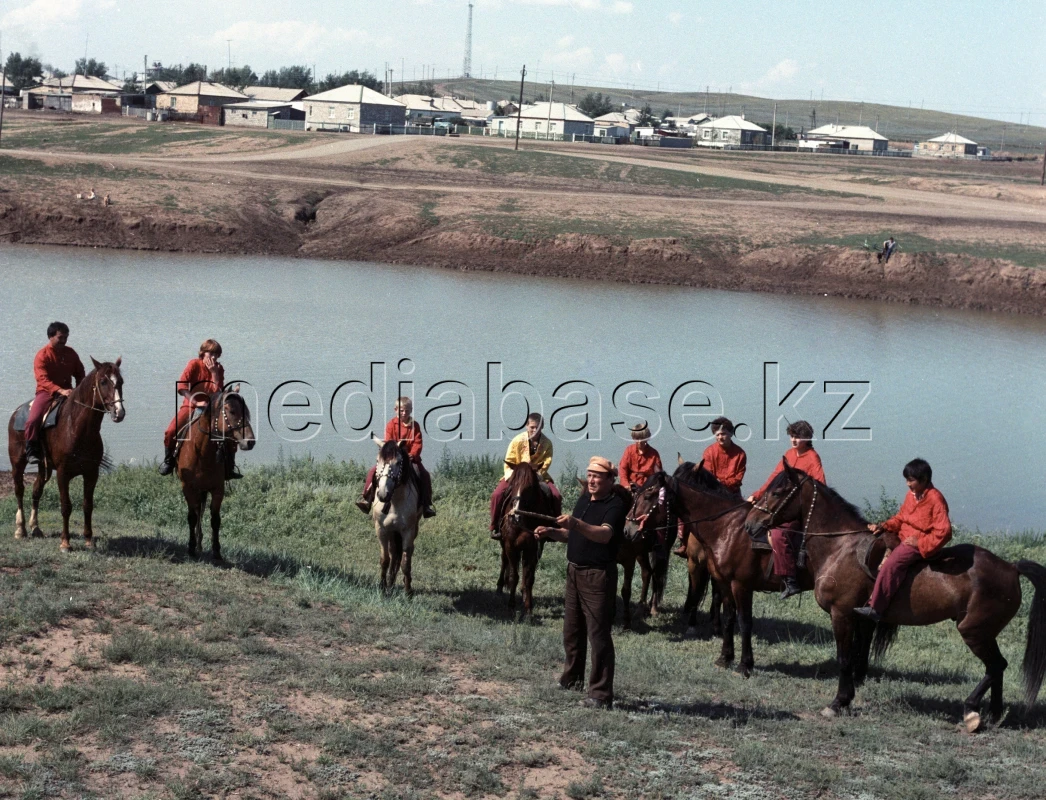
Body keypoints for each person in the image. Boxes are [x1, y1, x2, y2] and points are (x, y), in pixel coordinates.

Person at [535, 456, 626, 710]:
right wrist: (552, 532)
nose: (592, 480)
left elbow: (604, 534)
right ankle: (572, 679)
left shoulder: (615, 506)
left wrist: (575, 523)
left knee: (598, 636)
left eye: (597, 476)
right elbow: (572, 534)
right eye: (590, 475)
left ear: (610, 479)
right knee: (572, 631)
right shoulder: (584, 499)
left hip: (597, 576)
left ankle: (600, 694)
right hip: (573, 572)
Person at [855, 459, 951, 622]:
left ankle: (876, 608)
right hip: (902, 535)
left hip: (917, 543)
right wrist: (883, 526)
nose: (907, 484)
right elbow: (900, 518)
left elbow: (945, 531)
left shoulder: (936, 499)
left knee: (893, 562)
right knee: (873, 544)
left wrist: (920, 543)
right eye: (907, 480)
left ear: (924, 479)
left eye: (911, 480)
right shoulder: (911, 495)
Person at [748, 420, 825, 599]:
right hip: (782, 506)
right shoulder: (789, 454)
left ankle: (790, 580)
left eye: (798, 437)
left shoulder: (813, 457)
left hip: (797, 512)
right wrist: (757, 495)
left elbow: (820, 484)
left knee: (778, 535)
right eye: (792, 436)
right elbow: (774, 480)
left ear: (807, 438)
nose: (794, 440)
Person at [159, 339, 239, 478]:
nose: (214, 357)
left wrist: (214, 373)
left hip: (212, 407)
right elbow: (181, 386)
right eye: (211, 353)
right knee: (171, 431)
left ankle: (230, 466)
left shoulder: (219, 369)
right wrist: (196, 402)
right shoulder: (194, 364)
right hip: (190, 405)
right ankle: (169, 461)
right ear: (203, 353)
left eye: (216, 354)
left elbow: (217, 392)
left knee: (230, 432)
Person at [676, 416, 747, 556]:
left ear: (731, 433)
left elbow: (737, 478)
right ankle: (684, 543)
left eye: (723, 434)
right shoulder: (709, 452)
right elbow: (709, 476)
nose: (720, 437)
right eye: (717, 434)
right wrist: (720, 483)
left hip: (732, 494)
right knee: (687, 513)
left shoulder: (740, 454)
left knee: (746, 516)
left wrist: (721, 482)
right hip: (713, 494)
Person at [356, 397, 436, 518]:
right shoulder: (391, 424)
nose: (404, 413)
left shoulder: (415, 425)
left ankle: (426, 505)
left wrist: (413, 454)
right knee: (372, 471)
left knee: (424, 474)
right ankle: (367, 499)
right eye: (402, 410)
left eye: (407, 410)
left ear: (411, 410)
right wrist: (394, 452)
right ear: (396, 410)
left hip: (410, 458)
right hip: (393, 458)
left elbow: (418, 443)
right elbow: (389, 442)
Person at [489, 412, 561, 538]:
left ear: (542, 427)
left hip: (539, 476)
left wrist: (535, 475)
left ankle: (555, 526)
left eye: (537, 427)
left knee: (556, 496)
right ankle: (495, 526)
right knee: (497, 495)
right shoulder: (517, 441)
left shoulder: (547, 443)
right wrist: (516, 475)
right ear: (527, 426)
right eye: (532, 427)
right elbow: (510, 460)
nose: (534, 430)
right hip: (517, 475)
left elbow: (546, 462)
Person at [25, 322, 85, 465]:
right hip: (46, 392)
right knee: (33, 419)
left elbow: (80, 373)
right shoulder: (42, 355)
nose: (64, 340)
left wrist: (79, 390)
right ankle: (31, 449)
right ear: (50, 337)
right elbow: (42, 379)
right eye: (60, 337)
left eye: (66, 337)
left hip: (68, 391)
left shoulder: (71, 353)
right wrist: (60, 390)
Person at [618, 422, 662, 492]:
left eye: (642, 438)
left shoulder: (654, 454)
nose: (639, 441)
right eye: (637, 438)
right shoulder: (629, 450)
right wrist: (625, 484)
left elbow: (658, 474)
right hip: (630, 486)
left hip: (647, 488)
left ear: (647, 438)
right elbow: (623, 470)